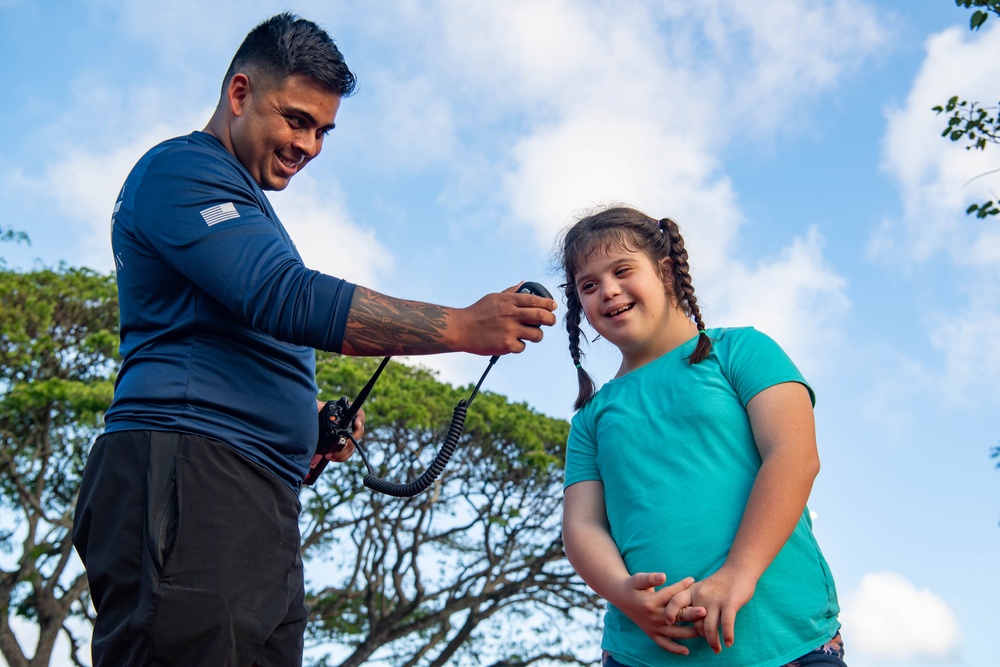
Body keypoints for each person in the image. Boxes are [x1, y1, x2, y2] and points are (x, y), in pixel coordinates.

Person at [71, 12, 556, 667]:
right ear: (239, 94)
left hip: (259, 496)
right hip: (187, 473)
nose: (311, 146)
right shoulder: (180, 172)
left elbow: (238, 331)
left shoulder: (249, 209)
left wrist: (307, 432)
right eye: (297, 119)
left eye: (324, 130)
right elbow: (282, 295)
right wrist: (463, 327)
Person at [557, 205, 844, 667]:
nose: (607, 290)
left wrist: (738, 574)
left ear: (666, 273)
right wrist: (623, 594)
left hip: (783, 642)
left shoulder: (742, 350)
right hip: (641, 656)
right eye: (588, 285)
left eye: (622, 270)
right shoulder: (591, 418)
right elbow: (582, 526)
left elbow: (793, 456)